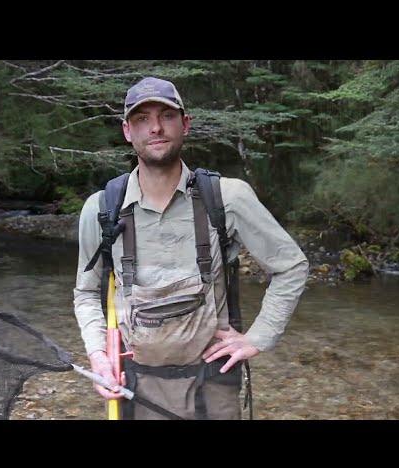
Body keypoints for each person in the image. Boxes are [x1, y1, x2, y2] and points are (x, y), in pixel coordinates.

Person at [74, 77, 309, 419]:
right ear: (127, 131)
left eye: (166, 115)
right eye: (142, 118)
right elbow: (86, 292)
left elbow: (291, 266)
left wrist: (260, 336)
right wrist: (98, 355)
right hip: (135, 388)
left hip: (213, 388)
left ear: (185, 123)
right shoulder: (101, 209)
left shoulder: (227, 198)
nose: (155, 127)